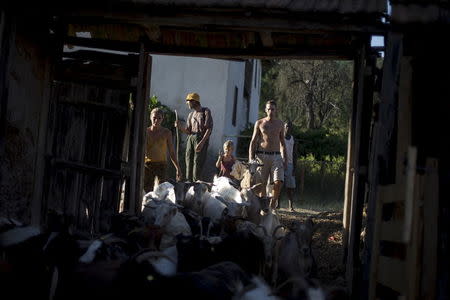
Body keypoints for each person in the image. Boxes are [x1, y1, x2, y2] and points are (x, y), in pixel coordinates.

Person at [249, 100, 287, 210]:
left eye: (273, 109)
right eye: (269, 109)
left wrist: (285, 158)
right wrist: (251, 158)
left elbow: (283, 143)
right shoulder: (259, 123)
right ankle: (264, 207)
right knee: (261, 184)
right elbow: (253, 141)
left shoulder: (280, 124)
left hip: (276, 156)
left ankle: (273, 203)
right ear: (265, 110)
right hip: (261, 156)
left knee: (278, 181)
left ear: (276, 110)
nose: (270, 111)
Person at [175, 92, 213, 182]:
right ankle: (188, 184)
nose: (187, 103)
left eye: (188, 101)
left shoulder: (205, 111)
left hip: (200, 138)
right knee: (188, 162)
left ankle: (196, 186)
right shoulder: (190, 115)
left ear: (194, 101)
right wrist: (180, 127)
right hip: (191, 138)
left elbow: (209, 129)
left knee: (197, 164)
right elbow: (188, 131)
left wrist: (202, 142)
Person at [144, 108, 182, 192]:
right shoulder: (146, 132)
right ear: (150, 117)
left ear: (162, 119)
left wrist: (178, 168)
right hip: (148, 165)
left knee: (161, 191)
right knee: (147, 190)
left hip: (162, 165)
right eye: (154, 118)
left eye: (159, 118)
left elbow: (172, 152)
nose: (156, 120)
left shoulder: (166, 133)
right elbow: (141, 150)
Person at [282, 121, 298, 212]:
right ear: (284, 127)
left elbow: (295, 154)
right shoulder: (280, 138)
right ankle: (277, 205)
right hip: (280, 163)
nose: (288, 128)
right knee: (278, 185)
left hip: (290, 164)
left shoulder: (293, 139)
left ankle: (290, 206)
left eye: (290, 127)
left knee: (290, 187)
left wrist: (295, 168)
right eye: (287, 126)